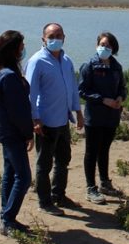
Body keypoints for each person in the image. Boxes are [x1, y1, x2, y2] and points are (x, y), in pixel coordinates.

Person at [25, 22, 84, 216]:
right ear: (43, 39)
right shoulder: (37, 61)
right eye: (51, 36)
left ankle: (59, 194)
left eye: (58, 35)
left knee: (63, 159)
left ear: (64, 37)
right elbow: (30, 93)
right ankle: (45, 201)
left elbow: (73, 89)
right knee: (44, 164)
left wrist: (78, 112)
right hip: (46, 121)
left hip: (63, 120)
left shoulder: (66, 61)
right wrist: (34, 118)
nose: (55, 39)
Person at [0, 30, 34, 236]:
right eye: (21, 47)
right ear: (13, 49)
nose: (23, 50)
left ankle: (6, 215)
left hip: (6, 131)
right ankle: (8, 219)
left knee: (10, 173)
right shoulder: (8, 76)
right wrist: (28, 133)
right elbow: (18, 111)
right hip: (13, 132)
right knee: (23, 177)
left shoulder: (1, 72)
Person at [78, 31, 126, 205]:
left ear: (113, 48)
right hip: (94, 118)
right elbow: (82, 91)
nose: (104, 47)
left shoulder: (116, 66)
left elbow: (122, 87)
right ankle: (91, 188)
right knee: (91, 152)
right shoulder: (89, 66)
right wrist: (103, 99)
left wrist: (121, 97)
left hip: (111, 117)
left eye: (108, 45)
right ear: (97, 45)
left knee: (104, 149)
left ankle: (104, 182)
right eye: (102, 44)